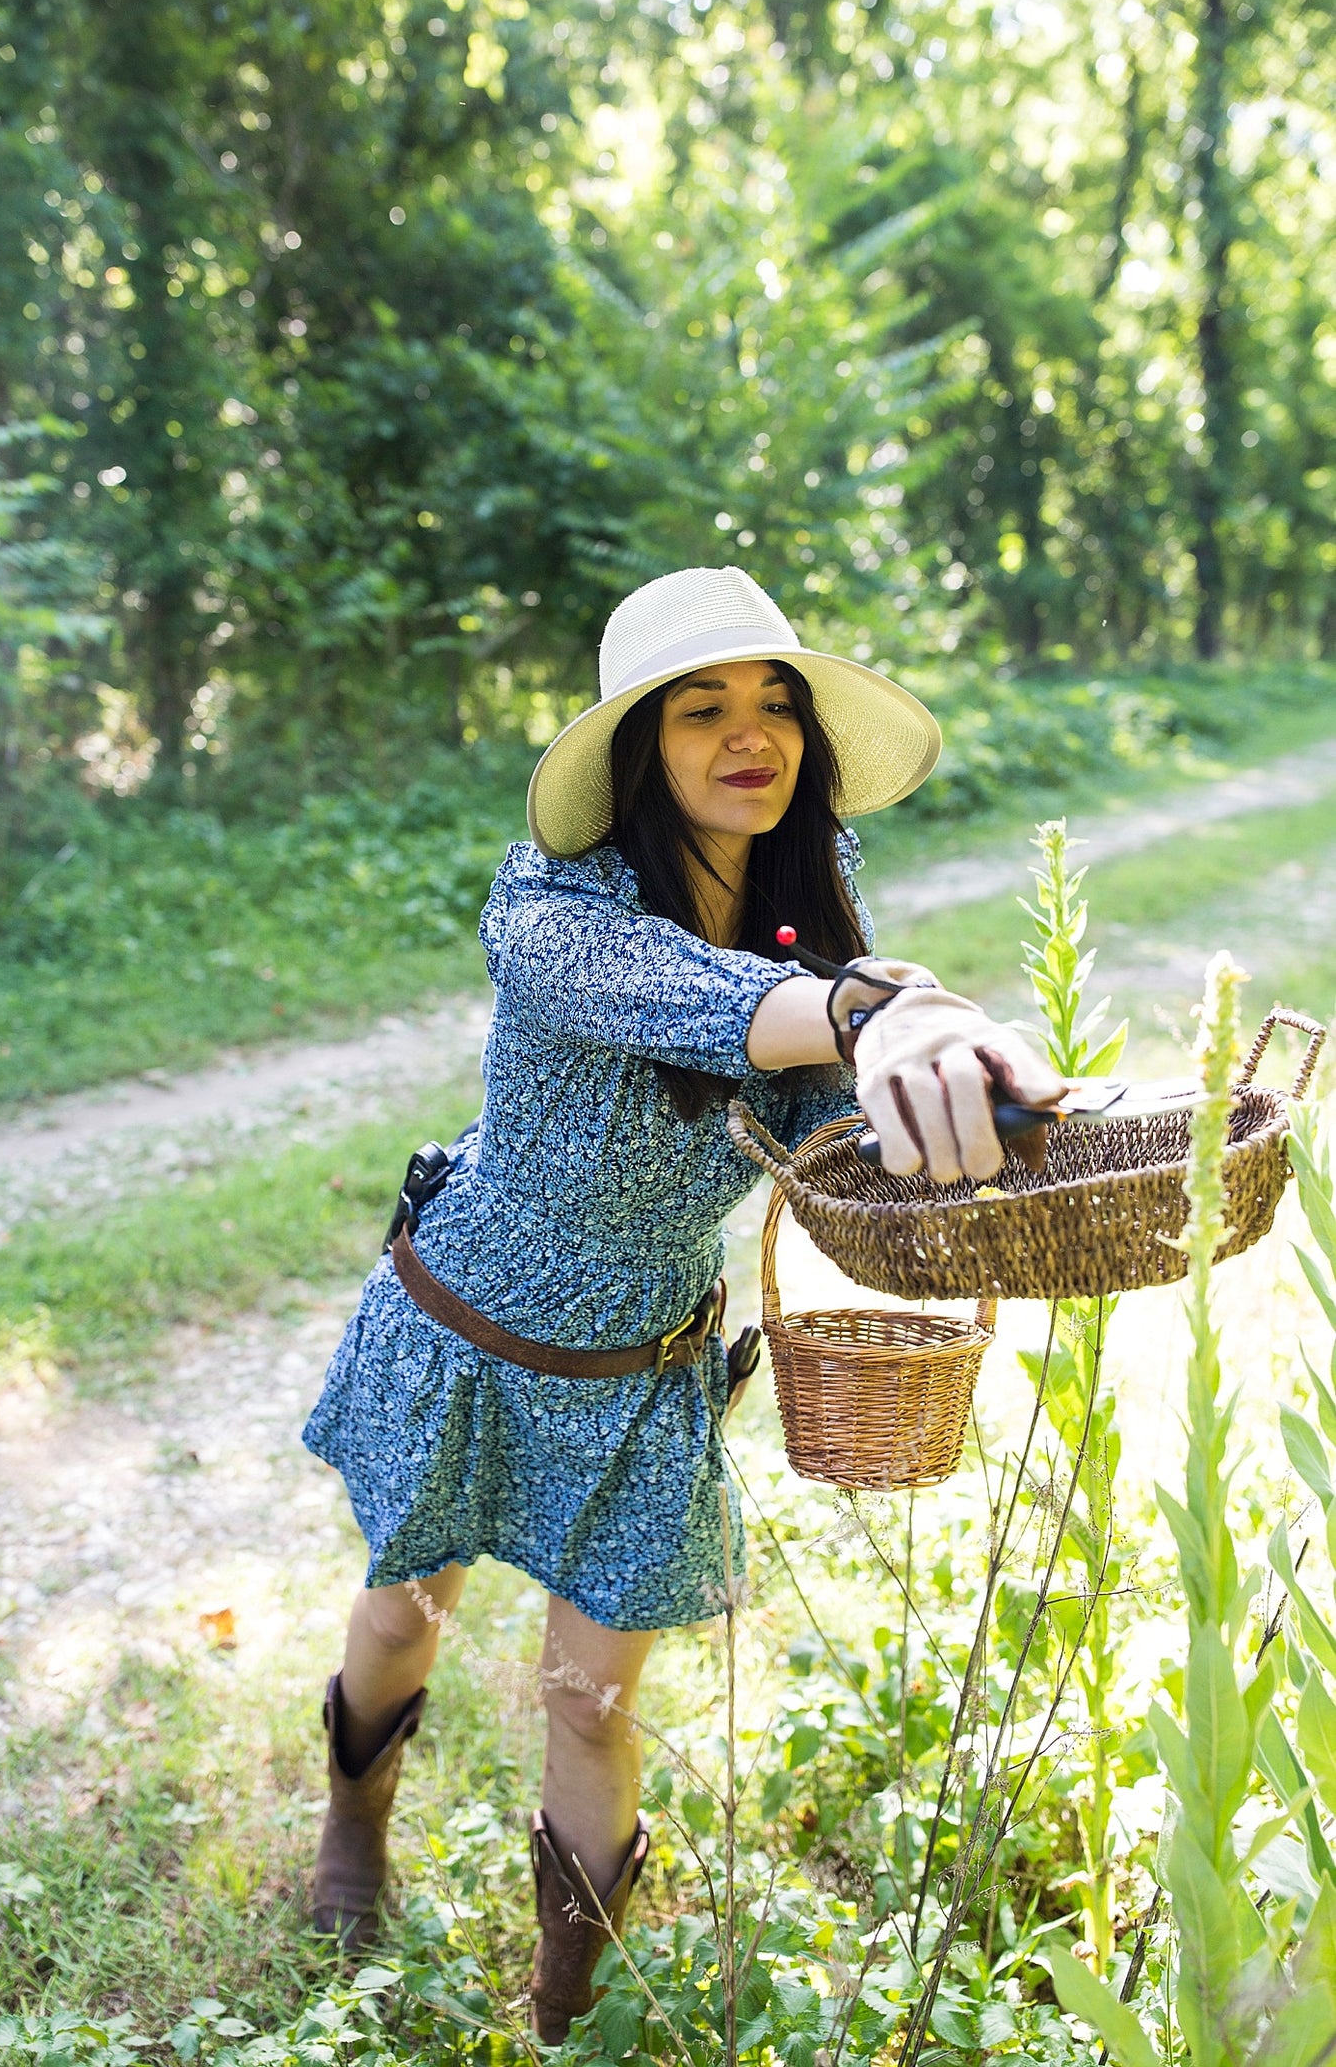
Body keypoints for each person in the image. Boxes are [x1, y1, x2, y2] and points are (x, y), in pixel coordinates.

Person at [300, 566, 1062, 2040]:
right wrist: (859, 1010)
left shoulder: (810, 909)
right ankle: (353, 1834)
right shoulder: (553, 904)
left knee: (590, 1701)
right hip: (470, 1321)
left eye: (775, 702)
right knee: (403, 1614)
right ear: (638, 746)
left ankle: (562, 2008)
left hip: (646, 1364)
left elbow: (849, 1079)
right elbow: (718, 1006)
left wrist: (961, 1052)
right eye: (700, 707)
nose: (747, 733)